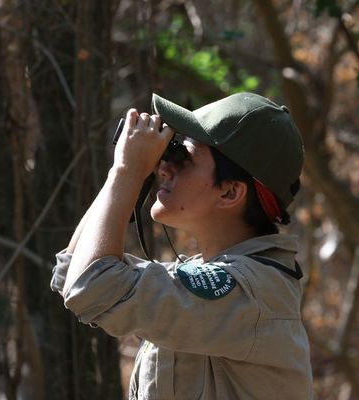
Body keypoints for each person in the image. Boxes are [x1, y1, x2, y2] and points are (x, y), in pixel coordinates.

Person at [51, 92, 313, 399]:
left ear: (230, 193)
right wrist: (121, 174)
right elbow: (71, 272)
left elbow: (91, 285)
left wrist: (128, 172)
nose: (164, 167)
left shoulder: (248, 292)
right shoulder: (213, 280)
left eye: (184, 158)